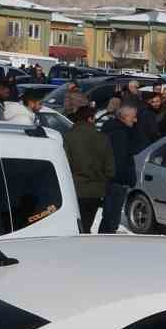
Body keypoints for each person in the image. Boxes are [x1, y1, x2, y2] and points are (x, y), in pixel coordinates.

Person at [61, 92, 114, 234]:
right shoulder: (103, 138)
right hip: (95, 191)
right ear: (90, 119)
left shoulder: (68, 137)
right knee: (87, 225)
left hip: (74, 189)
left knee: (76, 227)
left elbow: (65, 164)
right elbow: (110, 169)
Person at [99, 104, 144, 234]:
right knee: (112, 216)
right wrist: (125, 178)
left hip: (112, 178)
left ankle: (105, 236)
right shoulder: (120, 134)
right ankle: (106, 239)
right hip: (117, 180)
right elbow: (120, 159)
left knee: (110, 215)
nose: (135, 121)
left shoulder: (114, 129)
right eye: (133, 118)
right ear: (124, 118)